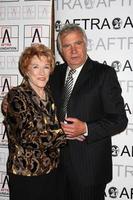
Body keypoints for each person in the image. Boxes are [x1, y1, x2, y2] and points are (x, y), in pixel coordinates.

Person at [49, 24, 128, 200]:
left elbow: (119, 120)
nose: (74, 50)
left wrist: (86, 128)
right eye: (67, 46)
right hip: (56, 167)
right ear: (61, 51)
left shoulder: (104, 74)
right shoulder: (54, 74)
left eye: (78, 43)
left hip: (89, 168)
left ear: (85, 45)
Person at [1, 43, 66, 200]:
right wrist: (65, 135)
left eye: (46, 67)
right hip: (27, 175)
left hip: (52, 172)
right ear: (26, 70)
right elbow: (27, 136)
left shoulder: (50, 94)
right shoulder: (16, 96)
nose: (42, 72)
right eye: (36, 66)